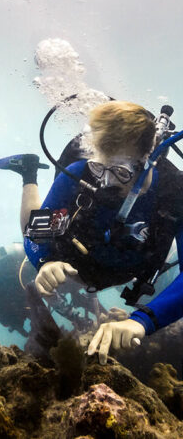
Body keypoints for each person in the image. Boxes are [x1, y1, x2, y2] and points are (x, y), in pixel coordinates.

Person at [22, 101, 183, 364]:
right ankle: (28, 175)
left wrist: (142, 321)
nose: (105, 183)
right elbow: (37, 232)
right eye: (99, 167)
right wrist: (45, 261)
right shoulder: (79, 172)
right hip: (70, 257)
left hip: (124, 270)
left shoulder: (175, 195)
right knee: (31, 222)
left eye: (120, 171)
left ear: (148, 163)